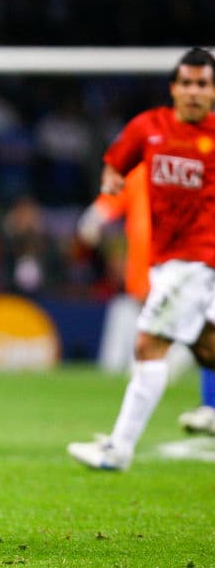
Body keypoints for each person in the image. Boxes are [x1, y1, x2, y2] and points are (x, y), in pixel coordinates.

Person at [67, 47, 215, 470]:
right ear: (173, 88)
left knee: (148, 344)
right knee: (207, 347)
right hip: (166, 261)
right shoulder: (149, 128)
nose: (193, 91)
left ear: (213, 92)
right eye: (186, 83)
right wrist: (111, 179)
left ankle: (118, 449)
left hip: (196, 260)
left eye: (202, 84)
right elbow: (116, 163)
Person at [79, 165, 215, 436]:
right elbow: (113, 199)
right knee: (191, 331)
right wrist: (94, 216)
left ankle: (205, 402)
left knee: (194, 328)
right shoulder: (143, 170)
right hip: (153, 265)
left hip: (188, 263)